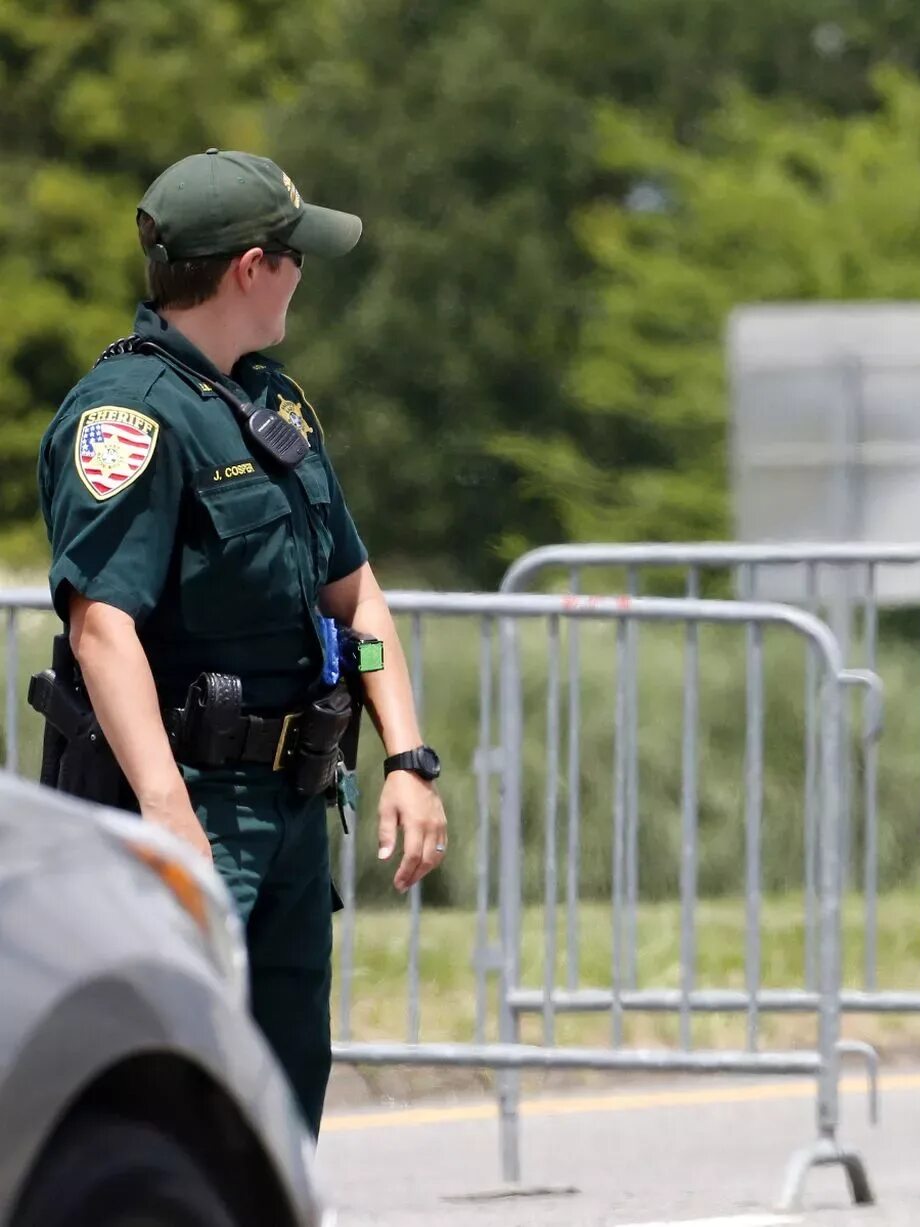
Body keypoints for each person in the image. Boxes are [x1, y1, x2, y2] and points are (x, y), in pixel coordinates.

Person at [35, 148, 449, 1138]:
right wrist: (168, 816)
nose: (305, 274)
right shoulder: (126, 418)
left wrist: (405, 756)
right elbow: (101, 628)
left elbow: (359, 600)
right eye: (296, 254)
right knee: (171, 1095)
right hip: (191, 806)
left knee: (281, 1088)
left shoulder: (275, 405)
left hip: (293, 801)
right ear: (251, 267)